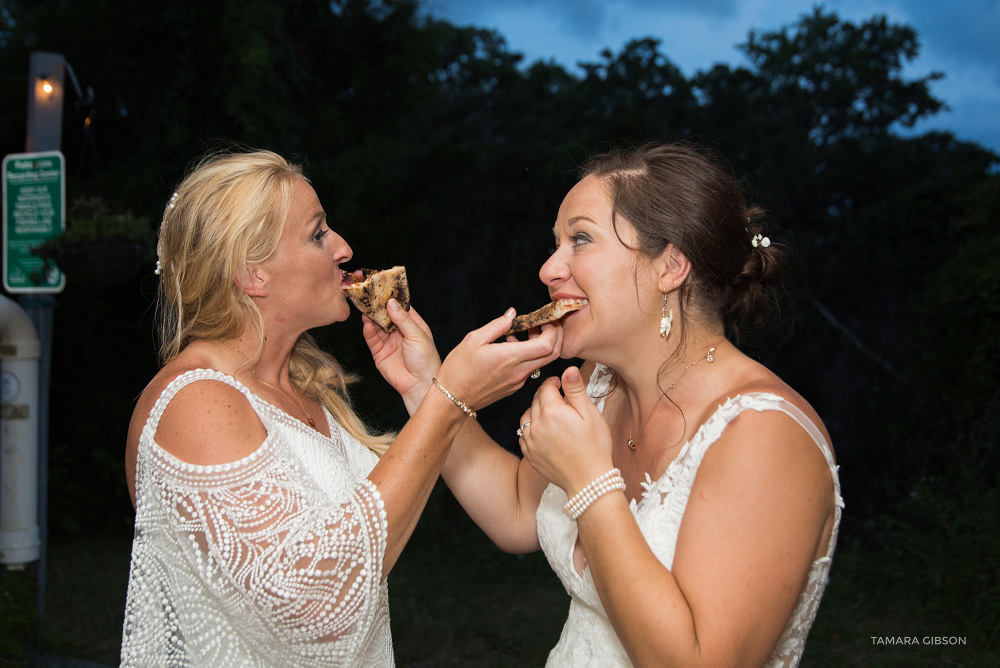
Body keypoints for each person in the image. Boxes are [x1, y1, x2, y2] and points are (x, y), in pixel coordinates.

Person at [366, 142, 843, 667]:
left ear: (671, 266)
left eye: (581, 239)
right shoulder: (598, 384)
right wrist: (427, 385)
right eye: (556, 244)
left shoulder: (764, 434)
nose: (550, 268)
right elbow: (518, 513)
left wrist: (590, 482)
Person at [120, 149, 561, 666]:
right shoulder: (196, 402)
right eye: (317, 233)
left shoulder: (305, 391)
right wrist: (448, 400)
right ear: (251, 274)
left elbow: (493, 516)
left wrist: (427, 388)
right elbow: (315, 607)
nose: (344, 248)